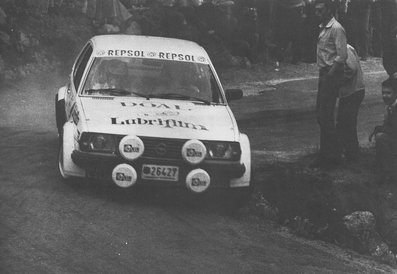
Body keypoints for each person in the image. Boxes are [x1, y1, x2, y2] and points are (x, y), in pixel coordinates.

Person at [311, 0, 348, 168]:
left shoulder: (336, 29)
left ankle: (332, 155)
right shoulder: (323, 27)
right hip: (323, 73)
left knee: (325, 115)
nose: (317, 13)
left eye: (320, 10)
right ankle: (327, 153)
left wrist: (329, 75)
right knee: (321, 115)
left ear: (328, 10)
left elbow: (342, 56)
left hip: (331, 74)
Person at [337, 44, 365, 161]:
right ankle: (345, 150)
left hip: (353, 91)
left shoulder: (344, 48)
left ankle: (353, 153)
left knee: (347, 122)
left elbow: (351, 68)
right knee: (344, 121)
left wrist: (337, 80)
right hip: (350, 90)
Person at [369, 78, 397, 184]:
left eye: (388, 93)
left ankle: (388, 174)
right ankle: (384, 170)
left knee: (381, 138)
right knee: (381, 137)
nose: (385, 96)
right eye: (383, 93)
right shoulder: (390, 106)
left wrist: (378, 130)